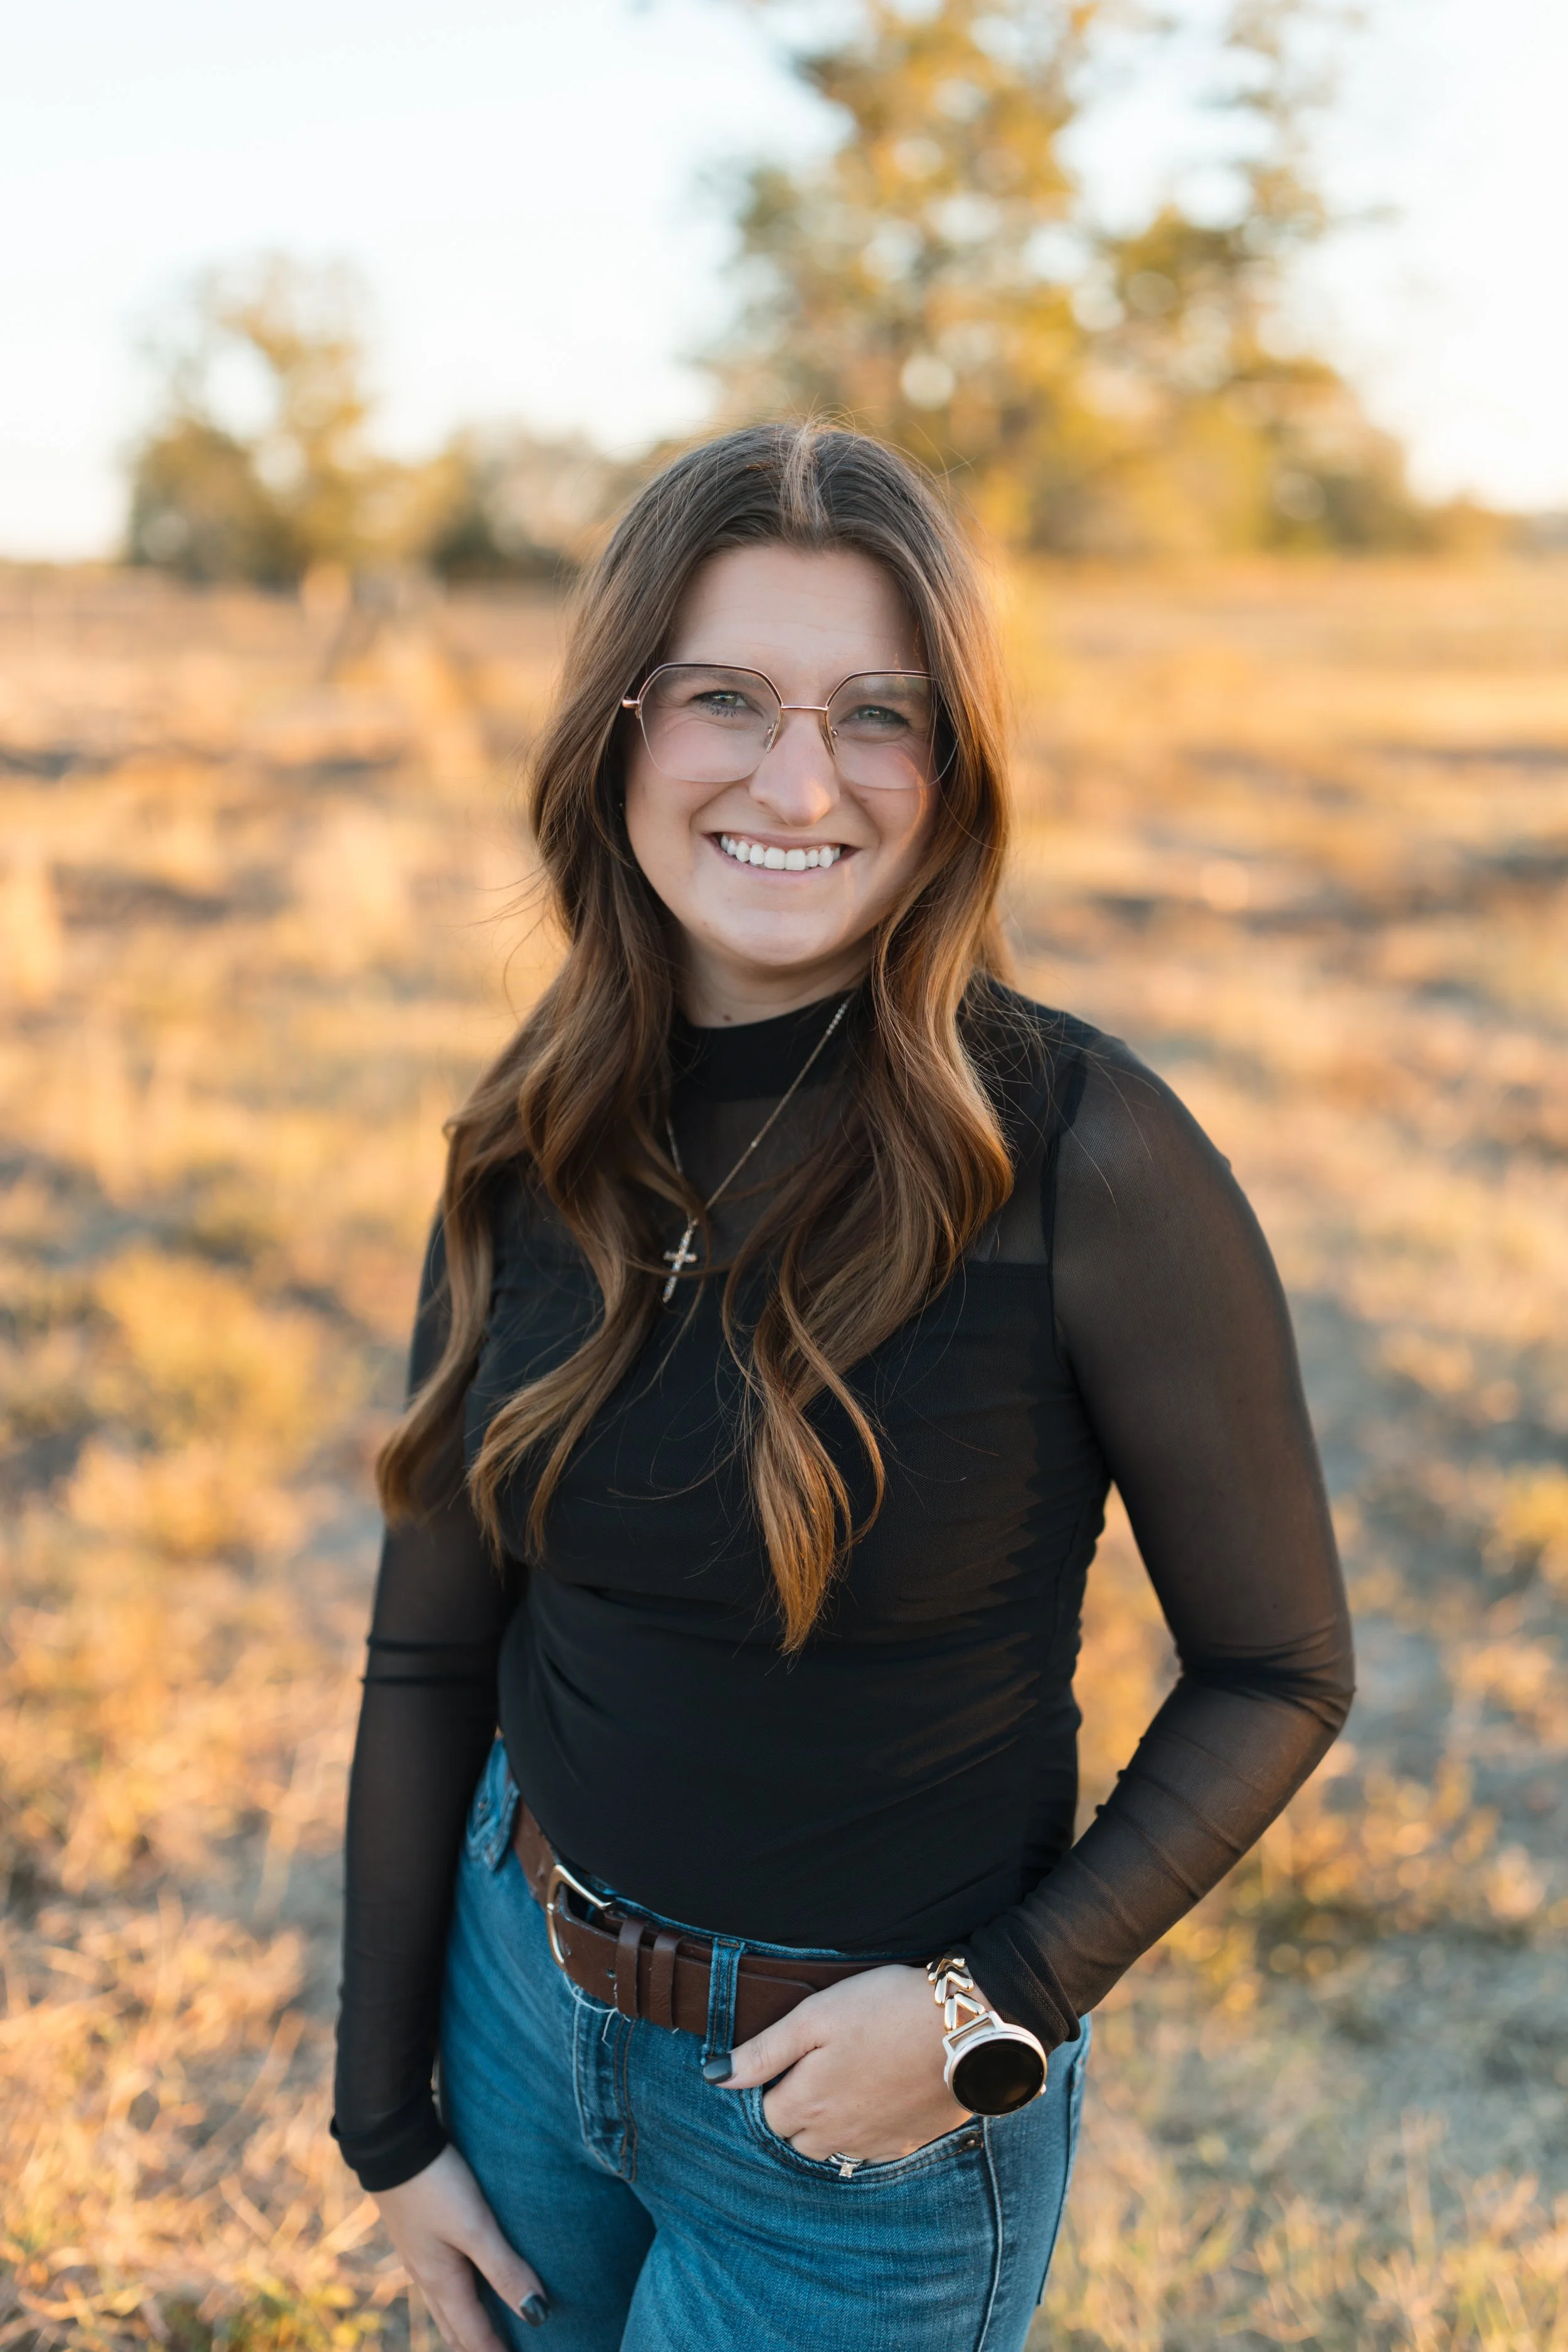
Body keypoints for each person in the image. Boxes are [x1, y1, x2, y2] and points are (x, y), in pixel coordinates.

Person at [331, 423, 1353, 2352]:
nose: (796, 780)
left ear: (950, 769)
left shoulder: (1087, 1152)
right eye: (724, 696)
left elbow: (1279, 1669)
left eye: (876, 714)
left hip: (867, 2130)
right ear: (619, 733)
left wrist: (986, 2008)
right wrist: (386, 2122)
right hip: (518, 2009)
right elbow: (425, 1659)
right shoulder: (525, 1138)